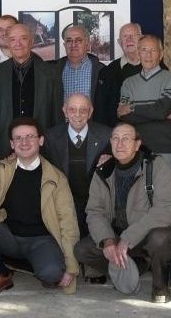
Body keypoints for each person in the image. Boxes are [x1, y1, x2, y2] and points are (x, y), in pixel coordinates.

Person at [0, 117, 79, 295]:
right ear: (12, 144)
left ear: (41, 140)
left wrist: (71, 264)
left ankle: (34, 263)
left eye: (30, 136)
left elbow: (68, 223)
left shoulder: (56, 178)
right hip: (9, 237)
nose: (24, 142)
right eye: (18, 138)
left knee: (52, 274)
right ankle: (2, 272)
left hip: (41, 240)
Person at [74, 123, 171, 303]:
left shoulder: (156, 166)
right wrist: (107, 241)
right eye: (115, 138)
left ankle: (160, 286)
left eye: (126, 139)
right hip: (117, 234)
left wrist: (128, 238)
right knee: (82, 250)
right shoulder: (103, 170)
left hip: (145, 234)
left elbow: (165, 209)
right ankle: (132, 267)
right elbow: (94, 211)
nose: (120, 144)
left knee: (161, 238)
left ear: (137, 144)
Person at [0, 24, 62, 158]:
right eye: (13, 39)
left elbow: (56, 117)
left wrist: (54, 151)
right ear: (8, 43)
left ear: (32, 42)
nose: (17, 43)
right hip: (3, 150)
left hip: (42, 152)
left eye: (23, 38)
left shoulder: (51, 74)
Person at [42, 93, 112, 236]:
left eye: (83, 110)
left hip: (94, 205)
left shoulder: (107, 136)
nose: (78, 115)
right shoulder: (50, 137)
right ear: (64, 111)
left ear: (91, 112)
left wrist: (111, 160)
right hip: (63, 204)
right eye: (72, 110)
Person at [118, 34, 171, 171]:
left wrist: (133, 107)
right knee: (137, 193)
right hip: (136, 150)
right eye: (144, 50)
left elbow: (161, 110)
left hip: (165, 150)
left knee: (165, 192)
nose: (148, 55)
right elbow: (125, 116)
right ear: (138, 53)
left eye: (153, 50)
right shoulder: (128, 83)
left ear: (161, 54)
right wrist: (157, 111)